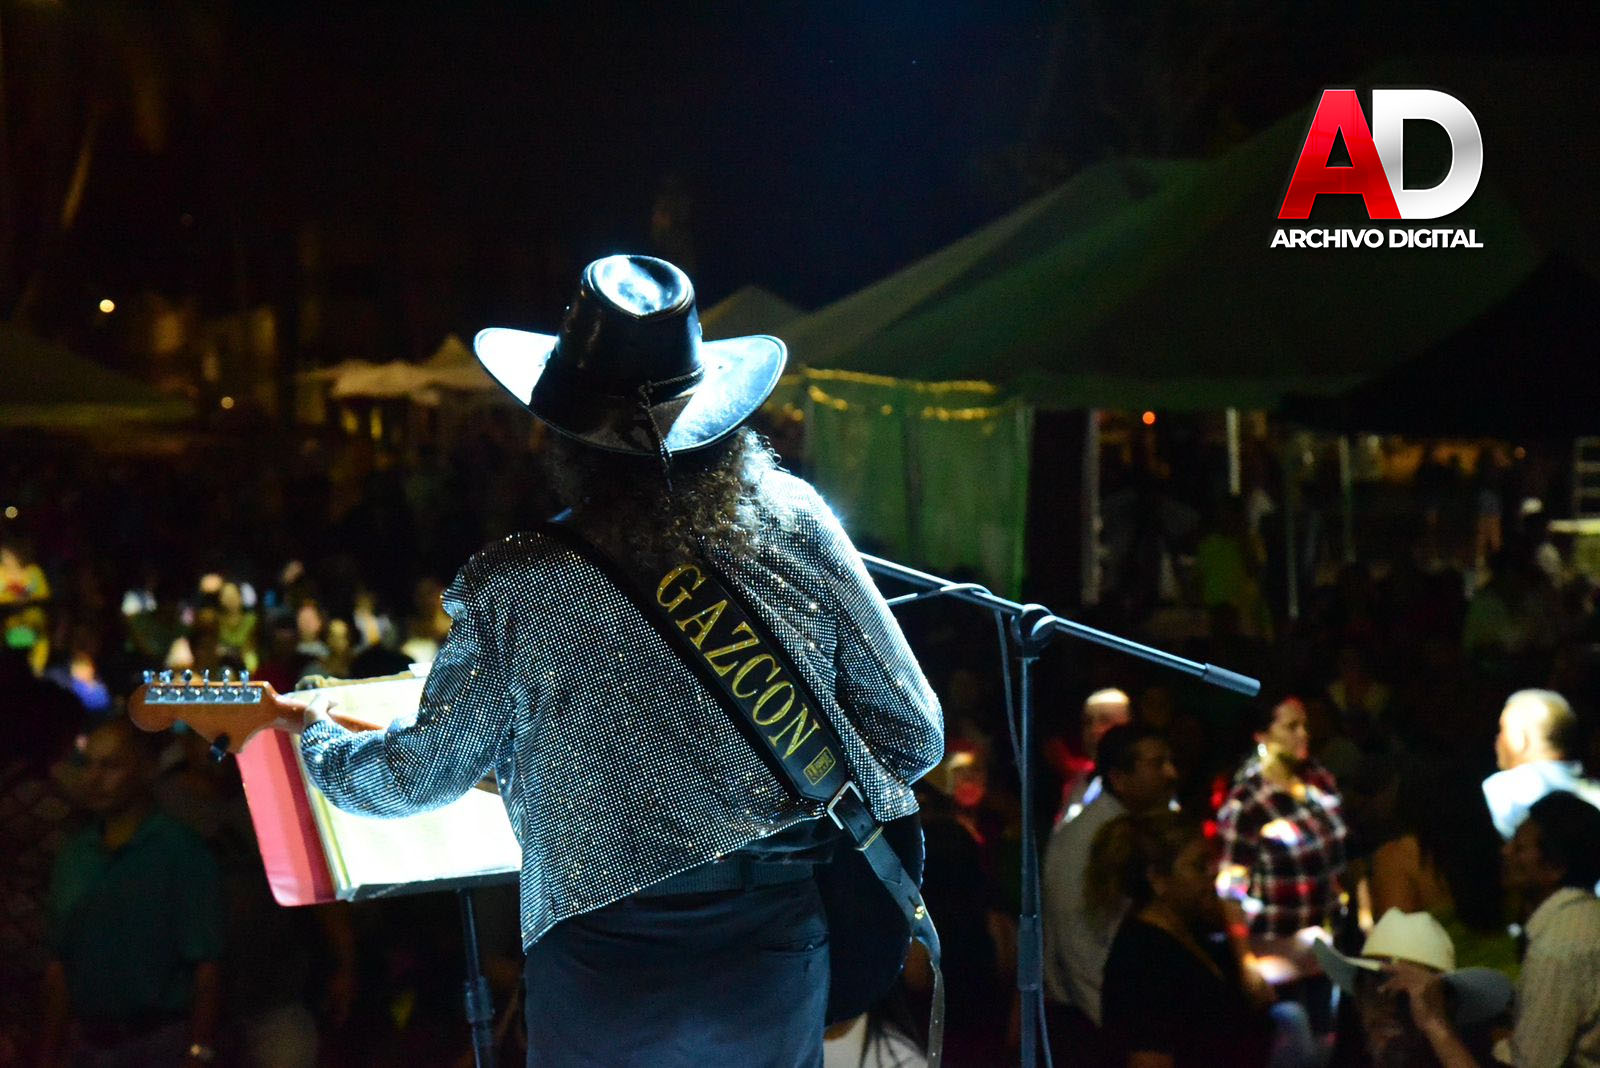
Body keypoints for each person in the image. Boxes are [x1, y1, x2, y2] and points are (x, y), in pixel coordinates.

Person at [283, 255, 944, 1067]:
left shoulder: (519, 584)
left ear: (565, 434)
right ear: (711, 413)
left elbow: (420, 777)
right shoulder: (796, 522)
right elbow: (913, 734)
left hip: (604, 963)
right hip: (771, 947)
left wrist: (318, 739)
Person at [35, 716, 224, 1067]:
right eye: (88, 764)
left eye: (111, 766)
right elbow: (61, 964)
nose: (94, 778)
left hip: (159, 1043)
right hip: (87, 1043)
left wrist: (199, 1050)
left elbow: (206, 965)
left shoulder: (178, 850)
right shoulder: (76, 853)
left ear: (146, 769)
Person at [1384, 790, 1600, 1067]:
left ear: (1555, 867)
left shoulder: (1556, 949)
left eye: (1519, 848)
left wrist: (1435, 1023)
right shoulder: (1584, 919)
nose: (1504, 851)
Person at [1089, 812, 1281, 1068]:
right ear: (1158, 879)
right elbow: (1149, 1059)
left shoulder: (1193, 929)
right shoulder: (1142, 960)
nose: (1212, 874)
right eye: (1199, 867)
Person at [1041, 724, 1178, 1060]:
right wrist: (1123, 1029)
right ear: (1118, 778)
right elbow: (1077, 937)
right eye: (1157, 764)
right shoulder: (1092, 838)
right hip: (1096, 1027)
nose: (1171, 773)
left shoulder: (1120, 826)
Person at [1312, 908, 1511, 1067]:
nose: (1387, 1004)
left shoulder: (1480, 1055)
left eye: (1405, 994)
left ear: (1444, 1004)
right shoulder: (1350, 1056)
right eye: (1374, 986)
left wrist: (1435, 1026)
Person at [1482, 688, 1600, 841]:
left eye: (1503, 730)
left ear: (1519, 739)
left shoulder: (1499, 790)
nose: (1498, 740)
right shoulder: (1595, 791)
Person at [1057, 688, 1133, 825]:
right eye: (1088, 722)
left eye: (1105, 721)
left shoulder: (1137, 787)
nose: (1094, 730)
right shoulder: (1077, 783)